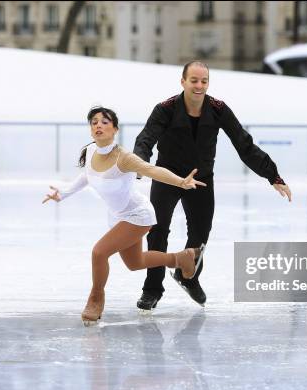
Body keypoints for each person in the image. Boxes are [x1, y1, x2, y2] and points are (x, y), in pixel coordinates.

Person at [133, 61, 292, 311]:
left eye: (204, 81)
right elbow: (145, 139)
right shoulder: (165, 109)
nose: (199, 85)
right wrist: (141, 164)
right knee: (158, 230)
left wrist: (272, 175)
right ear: (183, 81)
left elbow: (244, 145)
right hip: (168, 177)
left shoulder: (218, 109)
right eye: (194, 80)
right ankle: (152, 289)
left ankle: (189, 277)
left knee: (200, 234)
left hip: (202, 179)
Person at [43, 106, 206, 325]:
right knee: (135, 262)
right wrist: (63, 193)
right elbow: (87, 175)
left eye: (105, 122)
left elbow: (152, 170)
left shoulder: (124, 158)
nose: (98, 125)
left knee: (99, 253)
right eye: (94, 122)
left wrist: (180, 181)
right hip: (118, 216)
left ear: (115, 129)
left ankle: (95, 298)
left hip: (137, 214)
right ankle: (181, 258)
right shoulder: (91, 151)